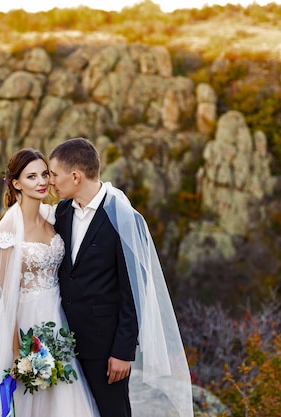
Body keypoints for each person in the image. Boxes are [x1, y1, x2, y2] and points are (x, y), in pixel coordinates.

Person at [48, 138, 193, 417]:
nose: (51, 182)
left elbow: (135, 292)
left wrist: (123, 352)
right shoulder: (62, 213)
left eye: (54, 175)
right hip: (64, 341)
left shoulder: (125, 218)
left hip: (105, 348)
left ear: (75, 176)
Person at [0, 148, 100, 417]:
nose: (41, 182)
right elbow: (7, 297)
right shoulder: (8, 227)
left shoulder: (53, 216)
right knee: (26, 398)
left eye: (44, 174)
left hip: (57, 319)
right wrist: (19, 354)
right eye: (32, 177)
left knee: (63, 395)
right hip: (24, 322)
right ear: (16, 183)